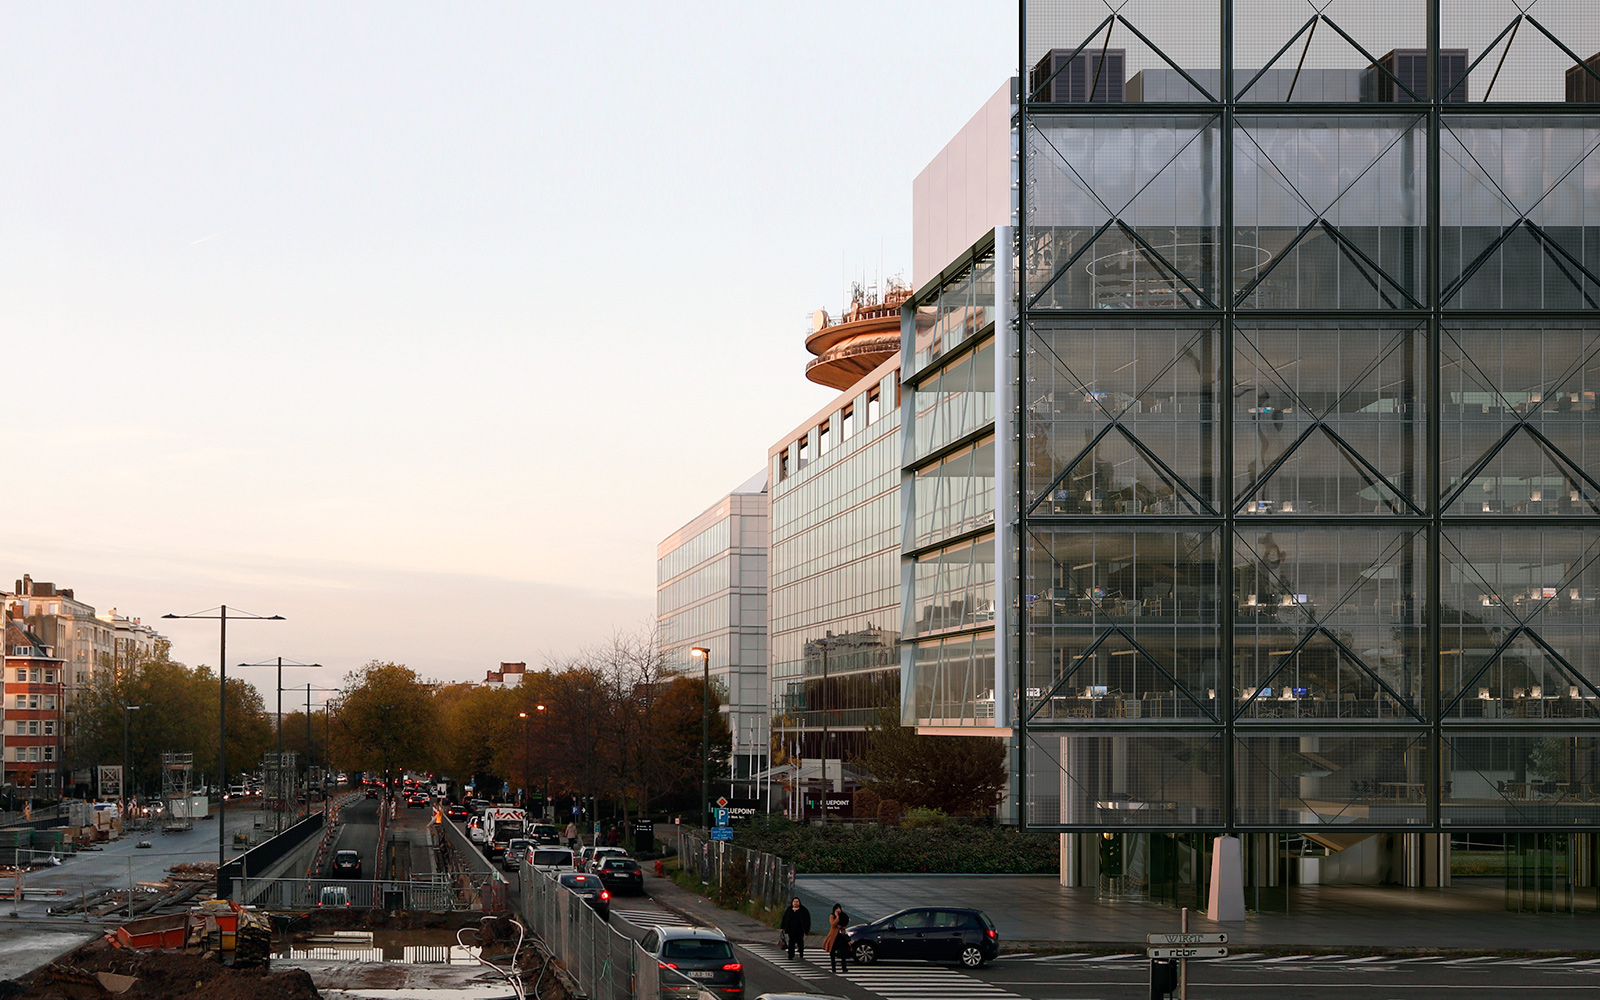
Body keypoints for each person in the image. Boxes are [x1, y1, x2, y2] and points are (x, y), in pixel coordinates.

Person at [823, 903, 851, 973]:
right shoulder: (832, 916)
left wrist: (842, 927)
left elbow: (845, 923)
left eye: (839, 908)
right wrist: (837, 917)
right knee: (832, 951)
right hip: (833, 936)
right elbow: (833, 925)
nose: (838, 910)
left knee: (843, 951)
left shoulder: (844, 916)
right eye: (837, 909)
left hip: (841, 936)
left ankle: (844, 967)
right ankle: (833, 966)